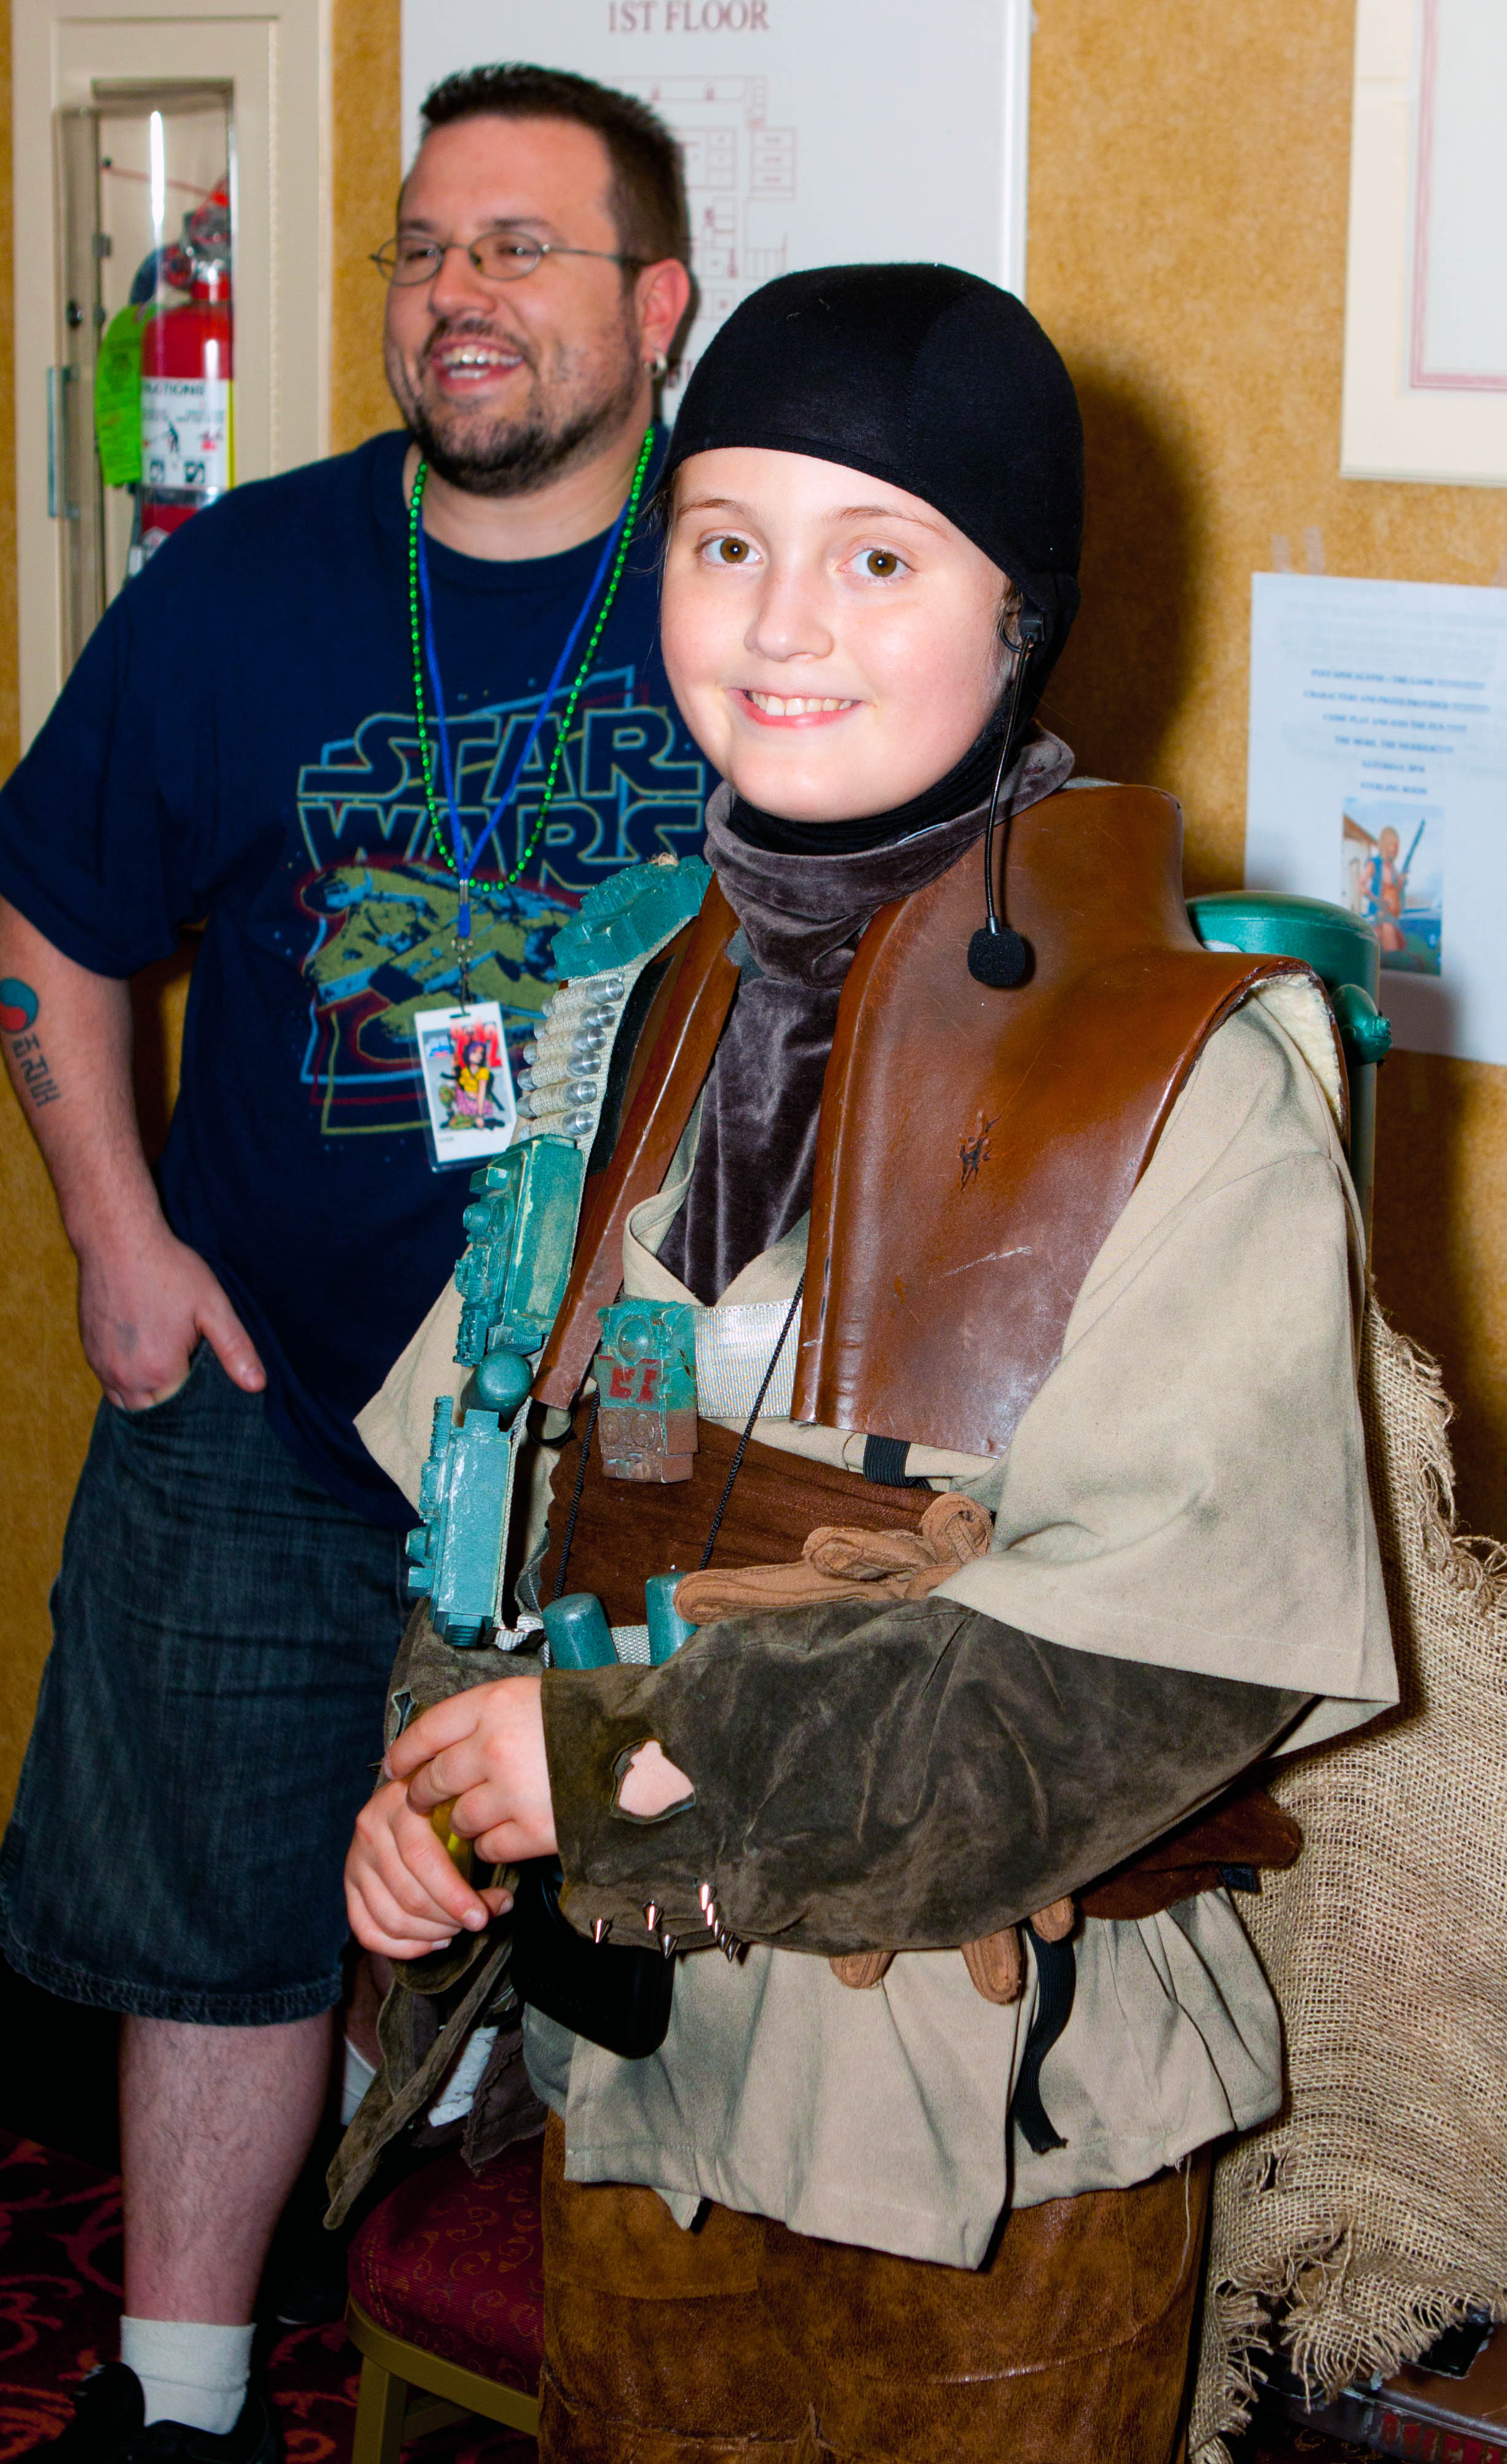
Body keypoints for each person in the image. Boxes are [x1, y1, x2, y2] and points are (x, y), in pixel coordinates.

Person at [344, 265, 1398, 2460]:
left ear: (1022, 619)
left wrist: (621, 1758)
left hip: (988, 2141)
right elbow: (497, 1476)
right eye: (726, 542)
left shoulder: (1190, 1087)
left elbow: (1137, 1682)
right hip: (641, 2085)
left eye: (881, 558)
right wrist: (434, 1777)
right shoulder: (625, 1006)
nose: (781, 623)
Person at [0, 63, 706, 2464]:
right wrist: (114, 1238)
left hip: (626, 1439)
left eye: (518, 246)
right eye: (421, 249)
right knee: (214, 1927)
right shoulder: (243, 586)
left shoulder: (754, 593)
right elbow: (52, 909)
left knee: (659, 1927)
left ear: (658, 303)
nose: (453, 293)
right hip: (267, 1406)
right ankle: (179, 2406)